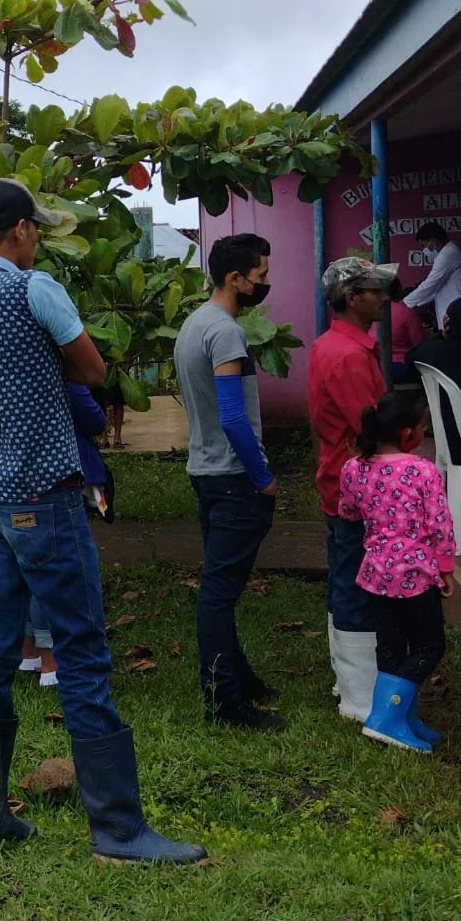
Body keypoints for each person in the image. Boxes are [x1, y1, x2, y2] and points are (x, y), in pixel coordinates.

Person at [0, 178, 205, 864]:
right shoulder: (38, 289)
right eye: (35, 228)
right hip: (48, 496)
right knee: (81, 652)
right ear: (21, 230)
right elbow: (90, 370)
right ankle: (118, 829)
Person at [174, 232, 284, 731]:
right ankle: (225, 704)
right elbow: (234, 417)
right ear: (235, 278)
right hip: (233, 477)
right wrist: (262, 477)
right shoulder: (225, 333)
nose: (265, 282)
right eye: (260, 275)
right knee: (219, 593)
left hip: (205, 471)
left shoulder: (194, 324)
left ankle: (241, 680)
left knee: (222, 587)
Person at [338, 392, 456, 753]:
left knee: (390, 646)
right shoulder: (423, 470)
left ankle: (402, 718)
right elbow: (440, 524)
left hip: (376, 574)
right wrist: (446, 568)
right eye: (422, 427)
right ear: (407, 434)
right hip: (416, 576)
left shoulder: (353, 468)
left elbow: (347, 511)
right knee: (429, 645)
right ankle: (386, 717)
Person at [307, 257, 394, 722]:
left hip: (341, 481)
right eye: (374, 290)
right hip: (358, 489)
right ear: (351, 298)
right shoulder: (348, 355)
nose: (383, 297)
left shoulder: (336, 345)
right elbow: (372, 428)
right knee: (356, 584)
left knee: (346, 577)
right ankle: (360, 699)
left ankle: (350, 685)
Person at [21, 381, 111, 689]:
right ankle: (52, 660)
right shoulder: (60, 377)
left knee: (29, 567)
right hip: (57, 479)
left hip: (16, 478)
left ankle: (30, 650)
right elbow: (93, 418)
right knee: (56, 571)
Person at [409, 295, 461, 463]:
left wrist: (441, 335)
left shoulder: (433, 353)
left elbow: (410, 357)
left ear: (448, 323)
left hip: (456, 446)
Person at [403, 221, 461, 330]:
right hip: (457, 309)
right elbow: (436, 288)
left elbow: (431, 284)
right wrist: (418, 304)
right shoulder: (448, 252)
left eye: (424, 245)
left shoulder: (448, 253)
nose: (424, 250)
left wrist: (405, 303)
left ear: (433, 241)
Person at [387, 279, 427, 385]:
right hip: (400, 366)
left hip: (373, 365)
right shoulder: (407, 313)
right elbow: (419, 345)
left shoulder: (368, 311)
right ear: (398, 290)